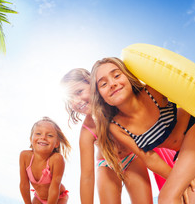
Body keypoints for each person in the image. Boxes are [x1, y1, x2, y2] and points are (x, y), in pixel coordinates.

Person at [90, 57, 195, 204]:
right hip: (182, 153)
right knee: (190, 201)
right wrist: (177, 180)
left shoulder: (152, 91)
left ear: (128, 77)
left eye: (116, 75)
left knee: (167, 199)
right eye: (103, 84)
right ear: (100, 96)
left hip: (194, 129)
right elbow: (149, 157)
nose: (112, 84)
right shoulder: (116, 126)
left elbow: (187, 80)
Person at [61, 68, 153, 204]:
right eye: (70, 99)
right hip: (107, 165)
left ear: (93, 85)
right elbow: (87, 176)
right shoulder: (87, 131)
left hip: (132, 157)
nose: (76, 101)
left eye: (79, 92)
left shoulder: (116, 107)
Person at [19, 117, 71, 204]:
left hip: (58, 198)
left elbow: (54, 188)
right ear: (31, 139)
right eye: (38, 133)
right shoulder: (25, 156)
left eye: (50, 135)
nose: (43, 137)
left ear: (56, 143)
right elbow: (24, 185)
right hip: (38, 198)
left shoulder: (56, 159)